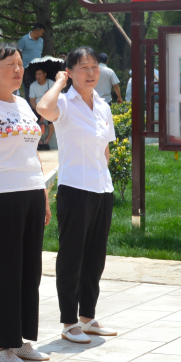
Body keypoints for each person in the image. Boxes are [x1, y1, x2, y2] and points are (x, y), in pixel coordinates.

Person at [0, 46, 51, 362]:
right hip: (1, 195)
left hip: (31, 192)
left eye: (20, 65)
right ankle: (0, 344)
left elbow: (34, 153)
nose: (18, 70)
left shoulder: (22, 103)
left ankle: (21, 339)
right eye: (10, 65)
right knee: (3, 271)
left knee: (29, 270)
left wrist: (43, 192)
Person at [36, 47, 119, 344]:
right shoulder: (65, 103)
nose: (91, 72)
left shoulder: (102, 105)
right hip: (75, 189)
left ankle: (88, 317)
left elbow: (105, 148)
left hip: (101, 189)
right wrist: (59, 83)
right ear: (70, 72)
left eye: (94, 66)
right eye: (83, 67)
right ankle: (69, 320)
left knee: (96, 256)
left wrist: (103, 175)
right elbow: (43, 110)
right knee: (72, 256)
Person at [27, 66, 53, 150]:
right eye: (36, 74)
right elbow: (32, 101)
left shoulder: (52, 83)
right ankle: (39, 142)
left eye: (40, 74)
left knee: (52, 119)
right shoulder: (33, 86)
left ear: (45, 74)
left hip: (50, 106)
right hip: (37, 107)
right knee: (32, 120)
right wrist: (39, 110)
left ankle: (47, 140)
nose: (38, 76)